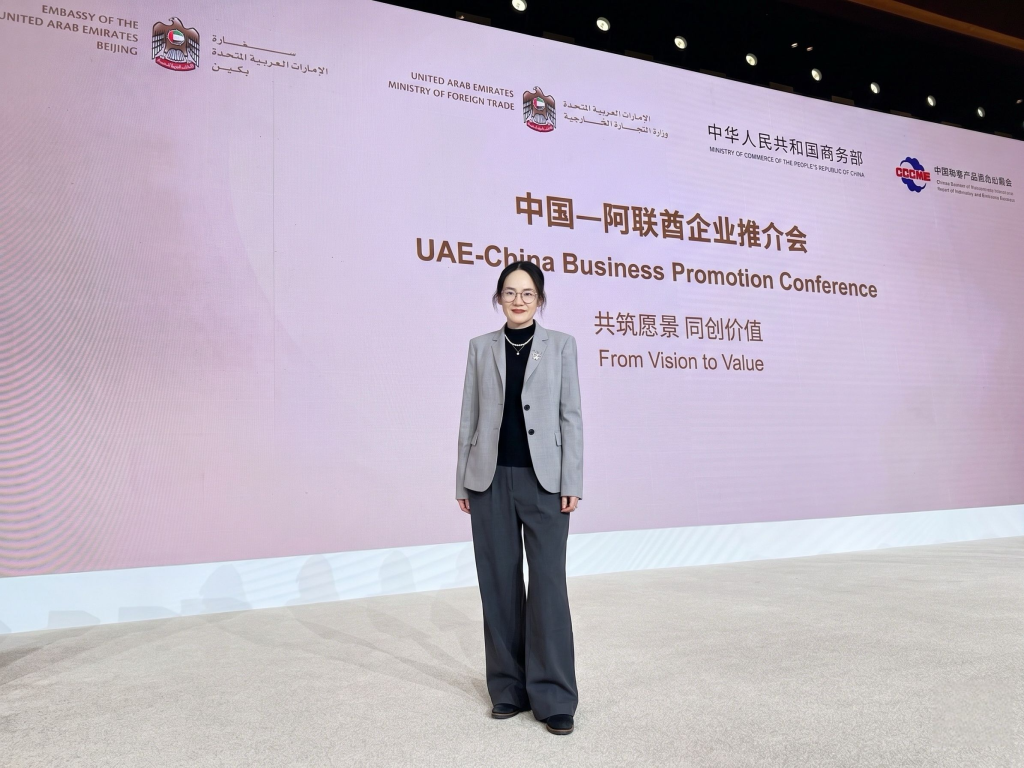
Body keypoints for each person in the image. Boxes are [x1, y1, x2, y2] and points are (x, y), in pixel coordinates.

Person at [455, 261, 583, 736]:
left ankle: (554, 697)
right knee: (498, 586)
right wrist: (462, 481)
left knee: (548, 587)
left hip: (545, 482)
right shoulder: (480, 347)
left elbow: (571, 416)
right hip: (489, 480)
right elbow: (468, 416)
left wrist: (572, 481)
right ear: (498, 297)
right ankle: (508, 689)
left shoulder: (562, 345)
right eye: (509, 292)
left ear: (540, 300)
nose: (518, 300)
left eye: (528, 293)